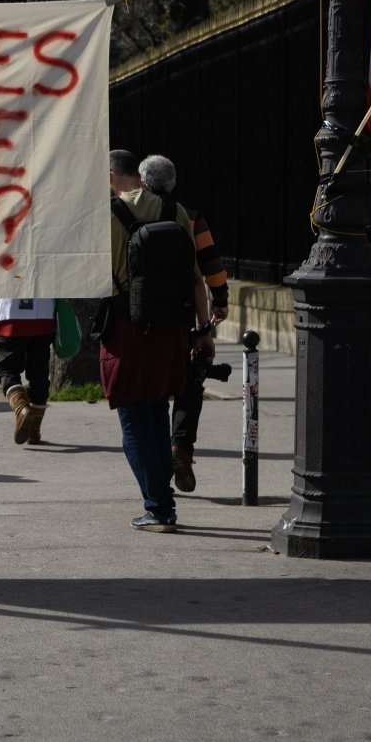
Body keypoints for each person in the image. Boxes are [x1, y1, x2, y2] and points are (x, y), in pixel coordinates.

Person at [101, 151, 211, 532]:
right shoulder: (175, 210)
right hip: (171, 329)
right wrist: (204, 330)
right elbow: (195, 276)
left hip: (127, 327)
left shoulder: (110, 213)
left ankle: (159, 508)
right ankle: (162, 500)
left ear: (113, 175)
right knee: (156, 413)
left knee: (133, 420)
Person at [169, 190, 231, 493]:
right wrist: (220, 299)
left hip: (140, 317)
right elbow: (210, 263)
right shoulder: (190, 216)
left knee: (151, 391)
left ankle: (156, 465)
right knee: (190, 380)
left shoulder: (125, 212)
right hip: (184, 312)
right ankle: (180, 446)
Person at [0, 298, 53, 445]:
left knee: (7, 369)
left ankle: (21, 408)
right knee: (39, 374)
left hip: (11, 314)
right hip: (44, 314)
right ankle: (33, 431)